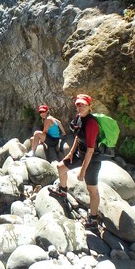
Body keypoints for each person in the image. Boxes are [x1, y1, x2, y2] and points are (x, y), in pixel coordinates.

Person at [48, 94, 101, 230]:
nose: (81, 107)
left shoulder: (91, 124)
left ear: (89, 106)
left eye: (83, 104)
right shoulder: (78, 118)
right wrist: (71, 153)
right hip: (80, 153)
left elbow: (90, 150)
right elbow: (78, 137)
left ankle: (93, 220)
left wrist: (82, 171)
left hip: (92, 159)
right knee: (61, 167)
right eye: (78, 104)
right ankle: (63, 191)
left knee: (92, 190)